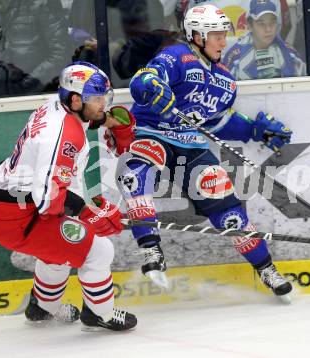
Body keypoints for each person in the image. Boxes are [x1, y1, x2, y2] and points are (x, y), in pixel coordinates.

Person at [114, 4, 293, 300]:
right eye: (216, 35)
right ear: (197, 35)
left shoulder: (224, 80)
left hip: (191, 144)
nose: (223, 41)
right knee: (137, 175)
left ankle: (266, 269)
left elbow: (219, 122)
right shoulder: (177, 56)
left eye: (224, 35)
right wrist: (152, 86)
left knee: (229, 212)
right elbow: (142, 80)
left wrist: (254, 131)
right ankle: (150, 250)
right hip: (152, 133)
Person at [0, 61, 137, 331]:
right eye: (97, 99)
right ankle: (99, 314)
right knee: (97, 249)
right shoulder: (65, 136)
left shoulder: (57, 105)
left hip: (7, 203)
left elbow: (49, 188)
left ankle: (42, 309)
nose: (103, 104)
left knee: (58, 249)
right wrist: (88, 212)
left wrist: (108, 121)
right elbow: (48, 200)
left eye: (104, 97)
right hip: (19, 217)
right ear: (76, 100)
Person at [222, 0, 305, 80]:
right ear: (249, 25)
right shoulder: (235, 58)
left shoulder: (290, 54)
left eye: (272, 23)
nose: (268, 29)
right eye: (261, 24)